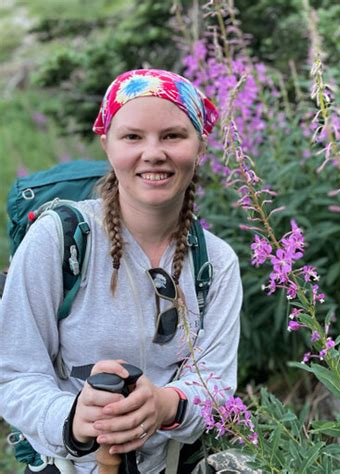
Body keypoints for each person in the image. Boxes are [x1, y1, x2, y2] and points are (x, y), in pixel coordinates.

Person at [0, 69, 242, 474]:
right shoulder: (59, 239)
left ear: (199, 146)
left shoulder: (216, 262)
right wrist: (76, 417)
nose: (153, 153)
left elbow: (216, 388)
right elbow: (14, 373)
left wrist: (164, 405)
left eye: (172, 135)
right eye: (132, 137)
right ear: (107, 145)